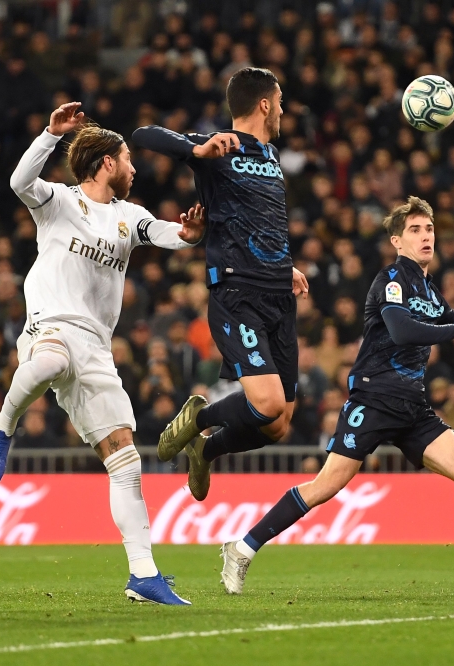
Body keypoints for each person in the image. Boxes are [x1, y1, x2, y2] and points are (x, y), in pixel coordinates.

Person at [218, 197, 454, 593]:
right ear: (397, 241)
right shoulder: (390, 280)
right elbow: (403, 331)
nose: (425, 237)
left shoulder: (430, 291)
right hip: (374, 399)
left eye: (429, 229)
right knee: (325, 485)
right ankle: (241, 548)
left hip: (412, 407)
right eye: (415, 230)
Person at [0, 102, 202, 604]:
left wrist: (190, 234)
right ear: (107, 163)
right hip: (52, 322)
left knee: (125, 459)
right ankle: (2, 428)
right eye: (128, 159)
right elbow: (19, 182)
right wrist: (49, 134)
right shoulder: (58, 201)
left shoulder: (129, 216)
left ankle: (143, 575)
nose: (133, 168)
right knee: (50, 361)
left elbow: (167, 234)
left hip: (97, 347)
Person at [132, 67, 309, 501]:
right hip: (238, 293)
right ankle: (197, 418)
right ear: (264, 104)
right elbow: (143, 134)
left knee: (280, 423)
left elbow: (264, 219)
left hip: (277, 292)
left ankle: (205, 450)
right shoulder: (217, 147)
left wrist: (284, 266)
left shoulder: (270, 154)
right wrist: (198, 148)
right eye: (280, 102)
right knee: (267, 403)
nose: (283, 110)